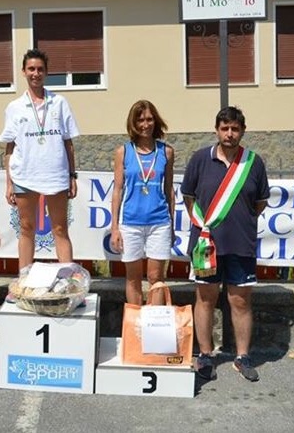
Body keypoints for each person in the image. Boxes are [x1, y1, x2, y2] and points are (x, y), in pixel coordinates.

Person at [181, 106, 269, 382]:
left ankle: (242, 357)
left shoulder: (253, 163)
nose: (229, 134)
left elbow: (260, 202)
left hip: (241, 244)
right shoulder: (200, 159)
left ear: (243, 131)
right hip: (205, 245)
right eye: (225, 128)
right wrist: (205, 225)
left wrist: (239, 221)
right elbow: (188, 197)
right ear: (217, 130)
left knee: (240, 300)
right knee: (205, 298)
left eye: (235, 129)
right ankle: (206, 354)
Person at [0, 49, 80, 272]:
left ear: (47, 72)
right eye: (31, 69)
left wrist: (72, 175)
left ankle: (68, 280)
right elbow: (9, 147)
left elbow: (68, 142)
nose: (36, 73)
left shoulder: (59, 102)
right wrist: (9, 183)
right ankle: (24, 279)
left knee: (60, 229)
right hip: (25, 175)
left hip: (56, 175)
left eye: (40, 69)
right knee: (26, 228)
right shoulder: (14, 107)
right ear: (23, 72)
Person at [110, 100, 175, 305]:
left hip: (159, 222)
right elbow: (117, 190)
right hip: (131, 222)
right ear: (133, 123)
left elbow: (169, 190)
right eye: (140, 120)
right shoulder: (123, 152)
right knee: (133, 278)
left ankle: (154, 321)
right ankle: (136, 321)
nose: (145, 125)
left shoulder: (166, 152)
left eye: (149, 119)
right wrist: (114, 227)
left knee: (156, 277)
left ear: (155, 121)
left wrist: (172, 225)